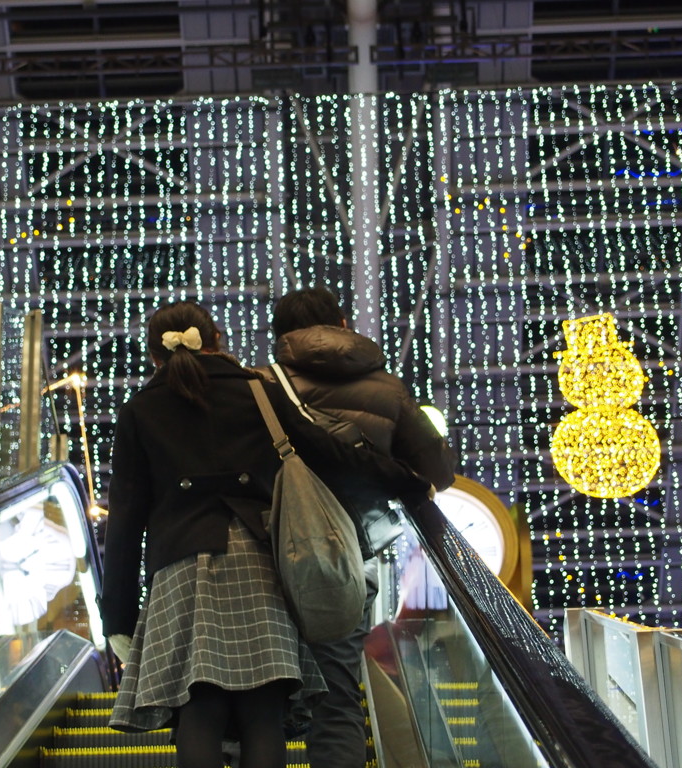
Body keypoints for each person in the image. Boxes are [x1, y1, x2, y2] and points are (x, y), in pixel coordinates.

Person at [99, 301, 430, 768]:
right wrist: (407, 479)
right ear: (216, 340)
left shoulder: (140, 409)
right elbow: (324, 448)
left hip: (179, 572)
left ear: (155, 355)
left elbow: (126, 519)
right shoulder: (256, 390)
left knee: (198, 710)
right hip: (256, 562)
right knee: (262, 712)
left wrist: (117, 614)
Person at [258, 286, 457, 768]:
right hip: (348, 560)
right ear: (343, 326)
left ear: (280, 335)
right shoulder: (387, 388)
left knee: (259, 703)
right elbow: (439, 471)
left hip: (268, 559)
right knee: (337, 698)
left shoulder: (260, 387)